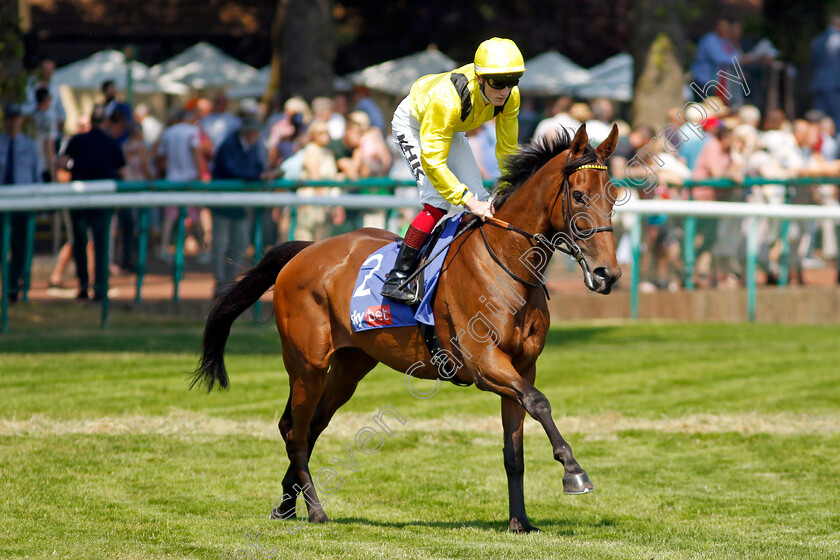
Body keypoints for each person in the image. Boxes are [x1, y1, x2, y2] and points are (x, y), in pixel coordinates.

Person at [380, 37, 524, 303]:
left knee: (481, 198)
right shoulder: (446, 99)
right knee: (438, 201)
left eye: (513, 80)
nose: (505, 90)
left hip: (451, 128)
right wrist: (467, 200)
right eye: (497, 82)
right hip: (414, 124)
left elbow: (507, 152)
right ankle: (397, 277)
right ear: (480, 78)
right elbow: (434, 162)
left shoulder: (510, 97)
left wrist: (506, 188)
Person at [57, 105, 126, 300]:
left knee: (79, 242)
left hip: (79, 198)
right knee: (101, 243)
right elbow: (123, 173)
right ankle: (101, 286)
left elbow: (61, 163)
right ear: (105, 122)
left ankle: (83, 285)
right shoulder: (111, 143)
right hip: (103, 200)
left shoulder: (77, 140)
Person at [209, 114, 274, 296]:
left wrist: (263, 174)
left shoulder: (253, 147)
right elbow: (233, 170)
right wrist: (258, 176)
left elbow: (255, 168)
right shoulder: (229, 145)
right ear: (248, 131)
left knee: (240, 242)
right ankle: (220, 281)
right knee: (220, 243)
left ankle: (230, 282)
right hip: (223, 202)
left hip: (240, 203)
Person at [0, 103, 41, 303]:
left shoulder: (30, 145)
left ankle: (13, 287)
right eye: (10, 117)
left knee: (19, 247)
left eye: (16, 117)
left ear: (21, 120)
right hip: (2, 202)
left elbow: (36, 177)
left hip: (22, 203)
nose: (13, 121)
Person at [811, 13, 840, 132]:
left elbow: (814, 63)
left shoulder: (817, 40)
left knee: (820, 118)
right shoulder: (837, 39)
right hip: (835, 84)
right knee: (837, 117)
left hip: (818, 83)